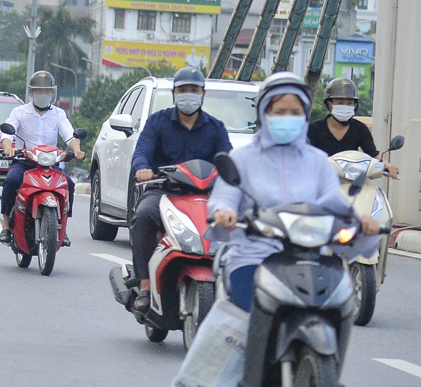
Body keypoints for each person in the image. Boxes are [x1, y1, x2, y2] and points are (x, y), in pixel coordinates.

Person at [211, 72, 382, 320]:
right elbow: (224, 197)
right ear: (264, 113)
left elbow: (335, 203)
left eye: (295, 112)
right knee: (231, 334)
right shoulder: (242, 158)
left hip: (310, 257)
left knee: (337, 310)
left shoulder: (319, 162)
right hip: (253, 254)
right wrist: (223, 212)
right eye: (280, 111)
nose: (287, 118)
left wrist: (360, 221)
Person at [126, 65, 231, 315]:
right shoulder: (158, 121)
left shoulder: (216, 127)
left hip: (205, 195)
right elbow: (141, 153)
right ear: (174, 92)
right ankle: (145, 285)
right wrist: (143, 168)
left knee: (236, 224)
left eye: (194, 89)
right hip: (164, 191)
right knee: (142, 216)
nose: (188, 94)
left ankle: (230, 285)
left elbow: (228, 158)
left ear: (203, 93)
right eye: (183, 89)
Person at [0, 70, 86, 236]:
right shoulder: (19, 112)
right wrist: (8, 147)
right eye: (39, 91)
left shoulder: (59, 114)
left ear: (52, 93)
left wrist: (77, 150)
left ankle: (62, 227)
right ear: (31, 93)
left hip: (51, 164)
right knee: (11, 181)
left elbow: (69, 135)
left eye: (47, 91)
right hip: (24, 162)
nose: (43, 94)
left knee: (69, 185)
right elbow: (7, 133)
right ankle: (7, 226)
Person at [307, 76, 399, 176]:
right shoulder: (314, 129)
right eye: (340, 103)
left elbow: (373, 155)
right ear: (330, 104)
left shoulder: (360, 129)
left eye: (349, 103)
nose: (345, 106)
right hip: (321, 183)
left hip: (351, 183)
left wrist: (387, 165)